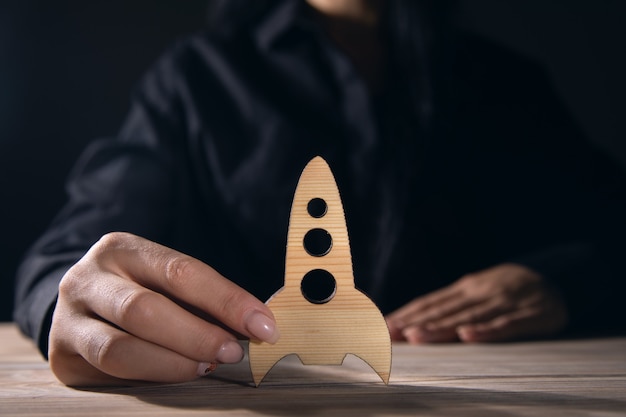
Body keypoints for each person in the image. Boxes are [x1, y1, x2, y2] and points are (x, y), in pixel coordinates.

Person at [13, 0, 626, 386]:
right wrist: (73, 304)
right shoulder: (197, 78)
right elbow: (70, 251)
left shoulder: (508, 85)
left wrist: (564, 279)